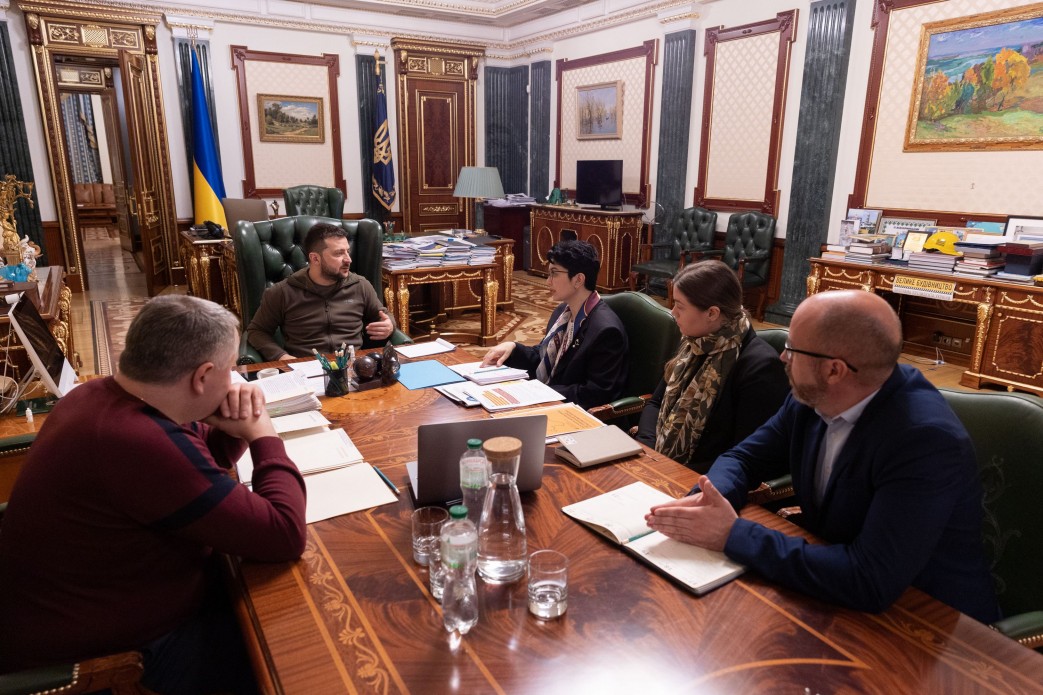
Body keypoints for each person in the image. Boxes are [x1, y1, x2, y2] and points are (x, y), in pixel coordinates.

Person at [0, 295, 307, 693]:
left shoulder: (97, 395)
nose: (233, 381)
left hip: (74, 608)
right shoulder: (136, 441)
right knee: (297, 651)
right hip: (105, 654)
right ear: (202, 376)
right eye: (231, 369)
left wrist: (231, 428)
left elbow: (188, 467)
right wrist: (263, 434)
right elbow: (284, 534)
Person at [645, 290, 1000, 623]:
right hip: (831, 589)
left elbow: (869, 579)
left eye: (792, 349)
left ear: (834, 370)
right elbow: (743, 458)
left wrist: (732, 534)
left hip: (931, 624)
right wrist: (710, 498)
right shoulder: (811, 396)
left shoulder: (924, 441)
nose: (782, 357)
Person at [635, 261, 789, 471]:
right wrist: (649, 451)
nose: (673, 312)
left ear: (712, 313)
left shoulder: (760, 367)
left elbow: (747, 455)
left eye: (680, 306)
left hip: (702, 478)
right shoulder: (694, 342)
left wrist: (670, 470)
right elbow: (656, 403)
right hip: (659, 464)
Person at [481, 239, 628, 409]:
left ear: (578, 279)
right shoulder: (562, 312)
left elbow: (595, 393)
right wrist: (513, 348)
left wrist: (539, 392)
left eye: (554, 273)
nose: (548, 282)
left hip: (577, 414)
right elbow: (545, 357)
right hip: (550, 401)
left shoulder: (605, 330)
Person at [247, 222, 394, 361]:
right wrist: (281, 356)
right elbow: (257, 331)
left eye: (348, 252)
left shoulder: (360, 285)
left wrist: (389, 325)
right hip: (305, 368)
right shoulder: (282, 292)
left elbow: (383, 315)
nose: (348, 259)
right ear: (315, 258)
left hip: (353, 366)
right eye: (339, 254)